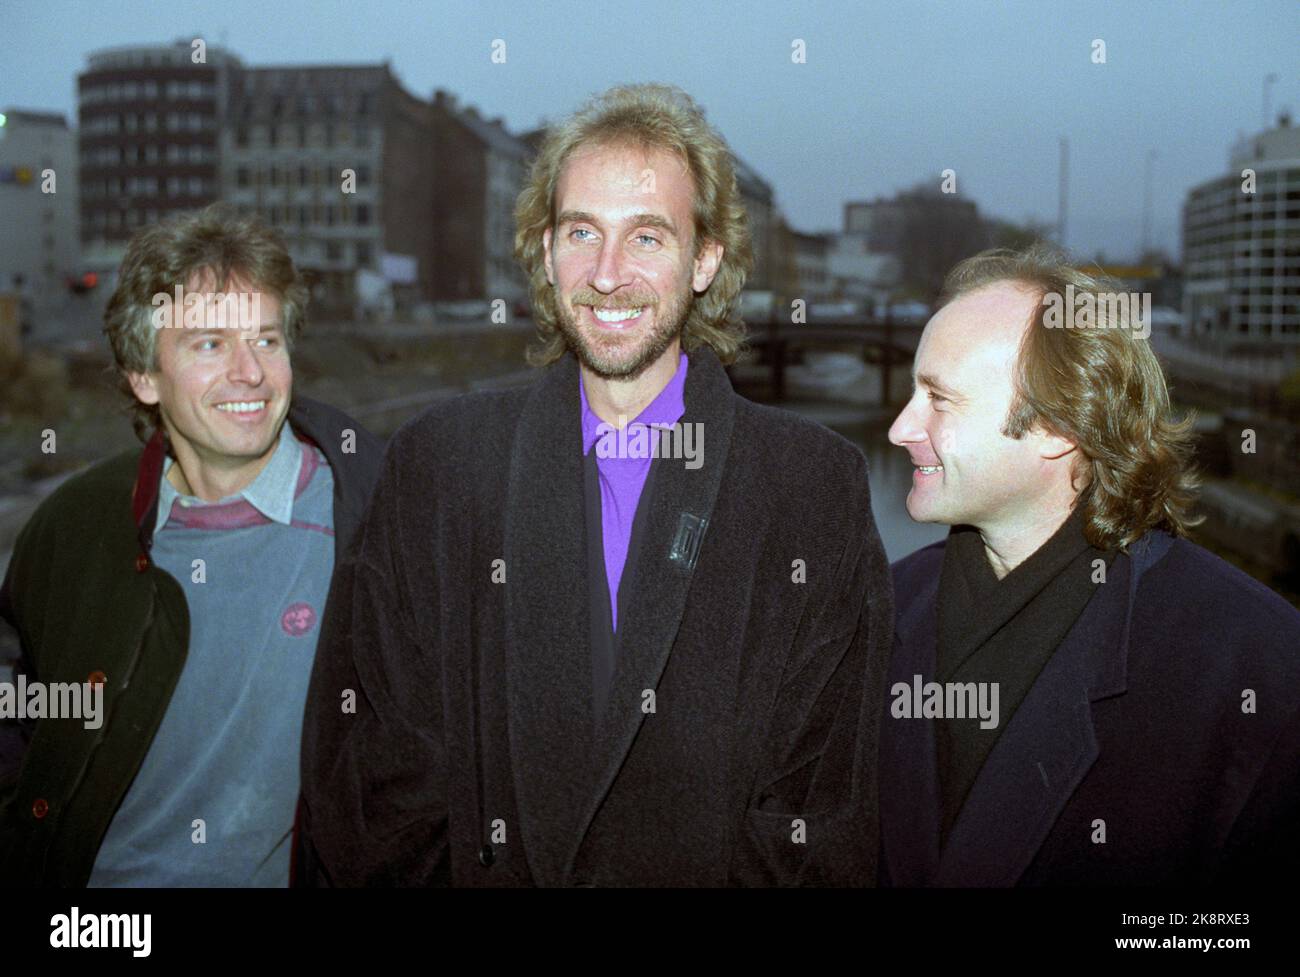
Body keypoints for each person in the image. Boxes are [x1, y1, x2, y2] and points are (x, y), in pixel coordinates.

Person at [297, 83, 892, 886]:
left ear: (705, 258)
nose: (608, 275)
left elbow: (823, 812)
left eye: (647, 236)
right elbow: (373, 785)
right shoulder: (438, 467)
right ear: (546, 250)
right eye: (583, 232)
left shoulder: (812, 488)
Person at [881, 245, 1300, 885]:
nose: (898, 427)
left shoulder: (1254, 662)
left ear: (1057, 426)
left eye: (938, 400)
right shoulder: (880, 607)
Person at [0, 205, 383, 886]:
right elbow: (21, 706)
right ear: (145, 376)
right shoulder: (77, 527)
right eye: (209, 344)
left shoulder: (367, 514)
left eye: (267, 340)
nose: (251, 374)